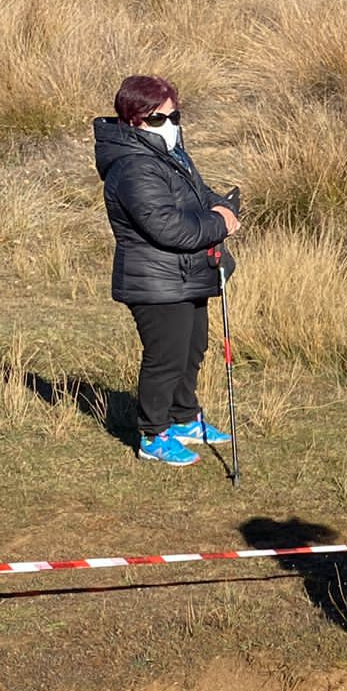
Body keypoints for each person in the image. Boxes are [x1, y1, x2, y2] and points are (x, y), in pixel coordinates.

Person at [93, 75, 240, 467]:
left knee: (192, 350)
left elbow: (200, 195)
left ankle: (183, 418)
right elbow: (167, 227)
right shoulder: (133, 167)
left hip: (187, 273)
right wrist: (221, 224)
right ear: (131, 122)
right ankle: (152, 434)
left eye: (174, 116)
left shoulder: (171, 154)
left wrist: (223, 207)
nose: (170, 126)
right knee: (165, 357)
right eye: (157, 119)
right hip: (154, 281)